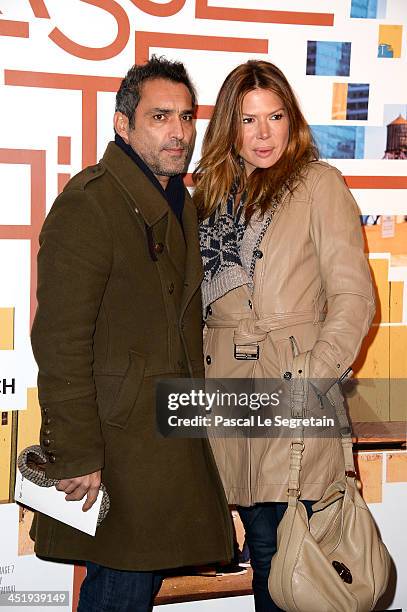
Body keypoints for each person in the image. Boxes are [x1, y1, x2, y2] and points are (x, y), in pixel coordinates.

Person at [30, 56, 233, 612]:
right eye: (160, 117)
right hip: (116, 447)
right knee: (121, 588)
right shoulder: (91, 202)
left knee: (132, 588)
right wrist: (74, 454)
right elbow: (59, 341)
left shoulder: (178, 200)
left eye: (186, 118)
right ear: (123, 126)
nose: (179, 132)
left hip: (163, 436)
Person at [193, 60, 375, 611]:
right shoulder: (204, 197)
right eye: (249, 120)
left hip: (295, 386)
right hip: (227, 391)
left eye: (275, 116)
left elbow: (355, 298)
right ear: (229, 126)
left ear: (292, 119)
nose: (264, 133)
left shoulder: (318, 184)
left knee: (298, 556)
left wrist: (314, 379)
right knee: (263, 550)